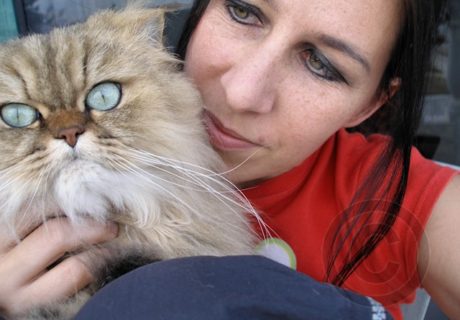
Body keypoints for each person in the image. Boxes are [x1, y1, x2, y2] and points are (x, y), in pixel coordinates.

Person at [1, 0, 459, 319]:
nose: (243, 93)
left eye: (323, 64)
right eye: (243, 11)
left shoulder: (392, 195)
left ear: (370, 104)